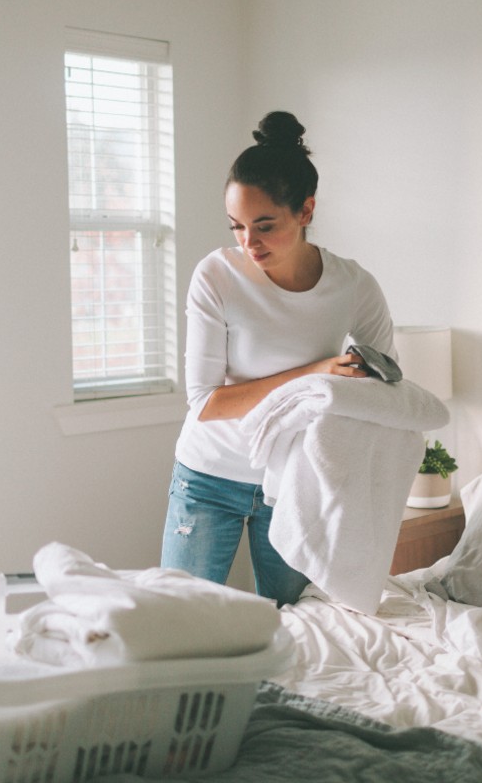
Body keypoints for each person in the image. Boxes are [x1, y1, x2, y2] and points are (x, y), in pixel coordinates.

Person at [160, 111, 397, 607]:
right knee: (182, 619)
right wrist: (313, 373)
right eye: (237, 226)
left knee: (295, 625)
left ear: (306, 211)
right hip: (207, 476)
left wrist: (356, 377)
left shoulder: (351, 285)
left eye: (264, 226)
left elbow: (388, 387)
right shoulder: (217, 276)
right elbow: (205, 403)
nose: (249, 242)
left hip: (293, 483)